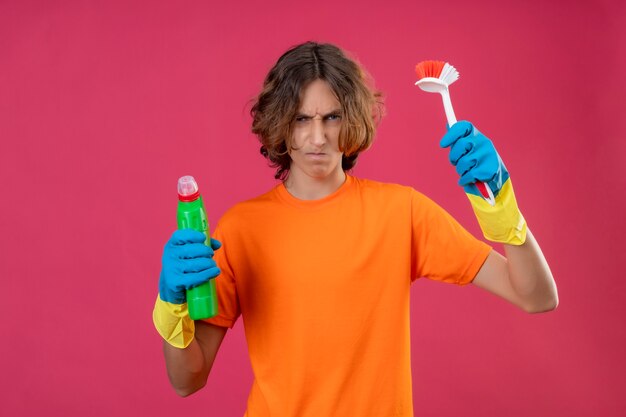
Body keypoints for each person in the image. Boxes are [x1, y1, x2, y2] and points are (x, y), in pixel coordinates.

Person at [152, 41, 558, 416]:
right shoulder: (240, 229)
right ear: (278, 123)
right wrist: (171, 306)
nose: (318, 137)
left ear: (353, 120)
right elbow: (187, 380)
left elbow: (536, 296)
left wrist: (501, 205)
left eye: (332, 117)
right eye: (300, 119)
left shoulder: (401, 211)